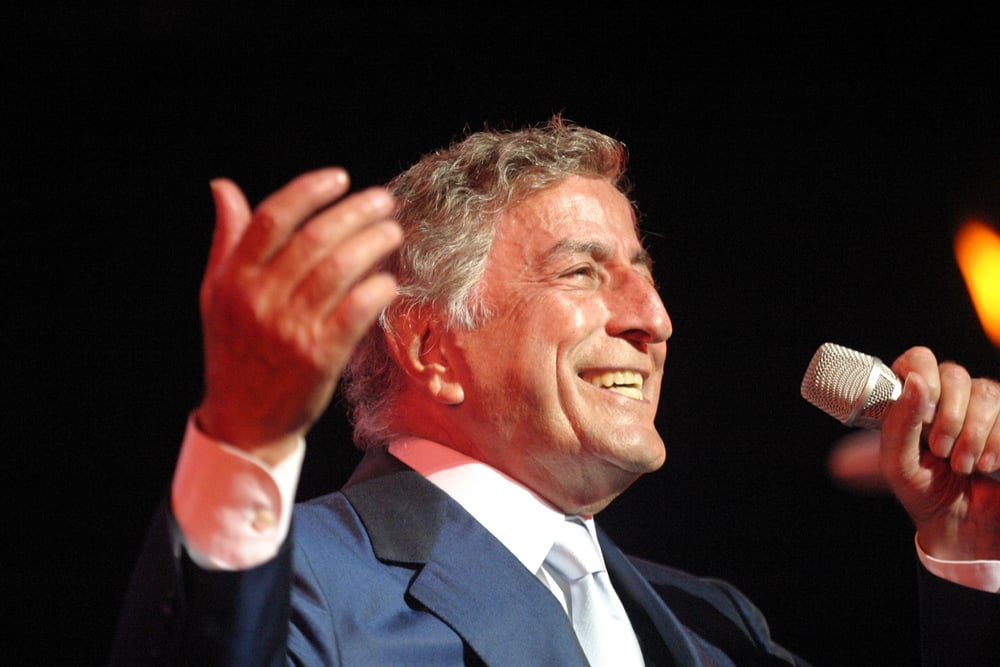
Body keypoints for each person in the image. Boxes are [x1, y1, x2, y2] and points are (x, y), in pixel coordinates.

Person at [110, 116, 1000, 666]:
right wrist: (245, 436)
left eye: (645, 274)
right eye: (585, 272)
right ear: (431, 349)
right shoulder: (305, 580)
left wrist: (967, 549)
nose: (654, 319)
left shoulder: (714, 624)